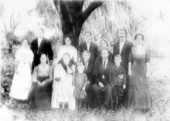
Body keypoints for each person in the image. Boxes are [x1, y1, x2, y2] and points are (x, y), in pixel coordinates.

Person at [128, 33, 152, 111]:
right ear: (135, 40)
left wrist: (148, 71)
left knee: (144, 86)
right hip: (135, 69)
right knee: (135, 86)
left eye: (140, 38)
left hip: (143, 69)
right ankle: (136, 106)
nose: (139, 40)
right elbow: (130, 60)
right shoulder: (132, 49)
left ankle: (145, 106)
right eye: (137, 38)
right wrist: (129, 70)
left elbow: (147, 61)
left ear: (142, 40)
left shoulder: (145, 49)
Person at [112, 28, 133, 106]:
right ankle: (118, 102)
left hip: (126, 67)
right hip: (117, 67)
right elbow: (113, 56)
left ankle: (125, 102)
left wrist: (130, 68)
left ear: (125, 34)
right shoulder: (115, 44)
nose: (121, 35)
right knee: (117, 83)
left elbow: (131, 57)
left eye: (123, 33)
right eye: (120, 33)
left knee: (125, 83)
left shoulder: (130, 44)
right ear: (118, 34)